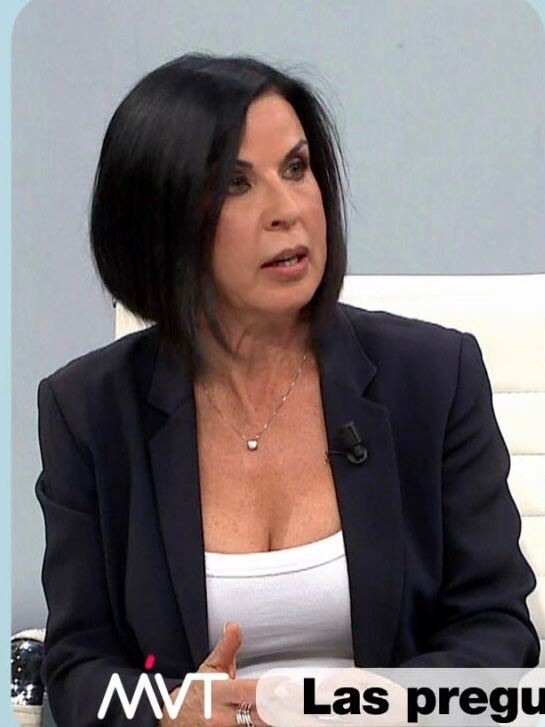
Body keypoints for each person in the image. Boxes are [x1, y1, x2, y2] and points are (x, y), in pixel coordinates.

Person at [36, 54, 539, 727]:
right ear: (160, 219)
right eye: (235, 184)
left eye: (297, 169)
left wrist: (385, 705)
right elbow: (79, 665)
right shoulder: (88, 410)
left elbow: (496, 628)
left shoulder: (433, 375)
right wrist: (167, 710)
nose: (288, 210)